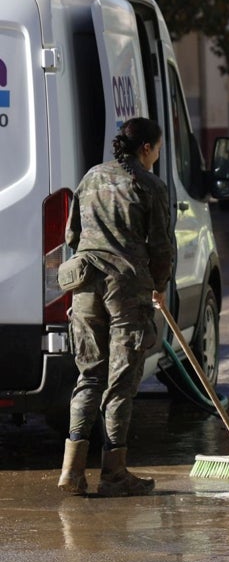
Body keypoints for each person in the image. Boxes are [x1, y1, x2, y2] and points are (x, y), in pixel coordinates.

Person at [58, 117, 174, 498]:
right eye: (156, 149)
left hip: (85, 285)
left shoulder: (91, 177)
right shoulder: (150, 185)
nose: (157, 155)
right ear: (146, 149)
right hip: (126, 290)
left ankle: (72, 472)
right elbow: (161, 247)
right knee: (120, 382)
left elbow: (72, 235)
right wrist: (159, 286)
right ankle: (114, 472)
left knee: (89, 376)